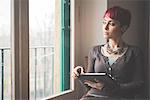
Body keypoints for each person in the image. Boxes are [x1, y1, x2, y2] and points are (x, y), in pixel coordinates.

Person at [72, 6, 144, 100]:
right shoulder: (94, 51)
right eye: (104, 22)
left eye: (112, 24)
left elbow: (139, 85)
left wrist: (114, 88)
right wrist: (80, 75)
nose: (105, 27)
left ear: (123, 28)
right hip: (92, 97)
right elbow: (89, 85)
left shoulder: (134, 52)